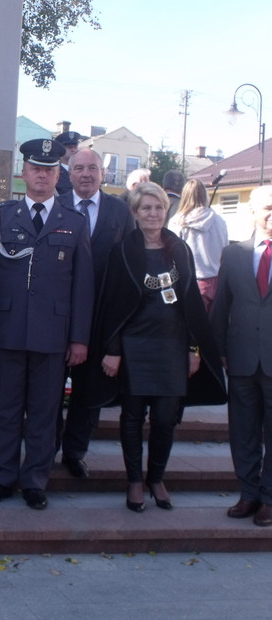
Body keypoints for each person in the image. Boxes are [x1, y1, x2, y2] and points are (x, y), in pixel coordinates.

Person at [91, 182, 225, 512]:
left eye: (159, 208)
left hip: (172, 346)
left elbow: (191, 305)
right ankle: (135, 480)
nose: (153, 214)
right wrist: (113, 348)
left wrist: (193, 350)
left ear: (167, 212)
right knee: (133, 416)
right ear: (135, 214)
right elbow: (111, 305)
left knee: (166, 418)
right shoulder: (123, 251)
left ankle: (157, 477)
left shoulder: (180, 249)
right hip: (135, 346)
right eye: (146, 208)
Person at [0, 139, 93, 511]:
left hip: (54, 335)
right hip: (8, 330)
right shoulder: (1, 216)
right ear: (24, 173)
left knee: (44, 412)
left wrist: (78, 338)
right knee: (7, 409)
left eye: (49, 169)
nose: (42, 175)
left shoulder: (74, 222)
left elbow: (83, 285)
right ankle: (2, 475)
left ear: (59, 175)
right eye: (35, 168)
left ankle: (35, 480)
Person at [56, 148, 134, 478]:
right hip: (57, 316)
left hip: (101, 318)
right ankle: (46, 448)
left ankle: (75, 452)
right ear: (69, 174)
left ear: (103, 173)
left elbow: (129, 267)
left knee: (88, 394)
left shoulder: (120, 212)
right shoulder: (55, 207)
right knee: (48, 391)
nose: (86, 174)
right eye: (79, 168)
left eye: (93, 168)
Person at [211, 185, 272, 526]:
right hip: (242, 358)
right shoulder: (234, 254)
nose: (271, 213)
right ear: (253, 211)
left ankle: (269, 498)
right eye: (267, 207)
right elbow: (221, 306)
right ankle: (248, 494)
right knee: (243, 431)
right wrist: (218, 349)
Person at [168, 179, 228, 313]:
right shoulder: (220, 221)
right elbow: (226, 251)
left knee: (193, 329)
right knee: (214, 328)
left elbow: (172, 255)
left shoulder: (178, 221)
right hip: (217, 281)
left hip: (191, 281)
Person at [54, 130, 83, 195]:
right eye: (69, 147)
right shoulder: (54, 172)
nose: (73, 149)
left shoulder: (83, 170)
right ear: (60, 150)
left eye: (75, 147)